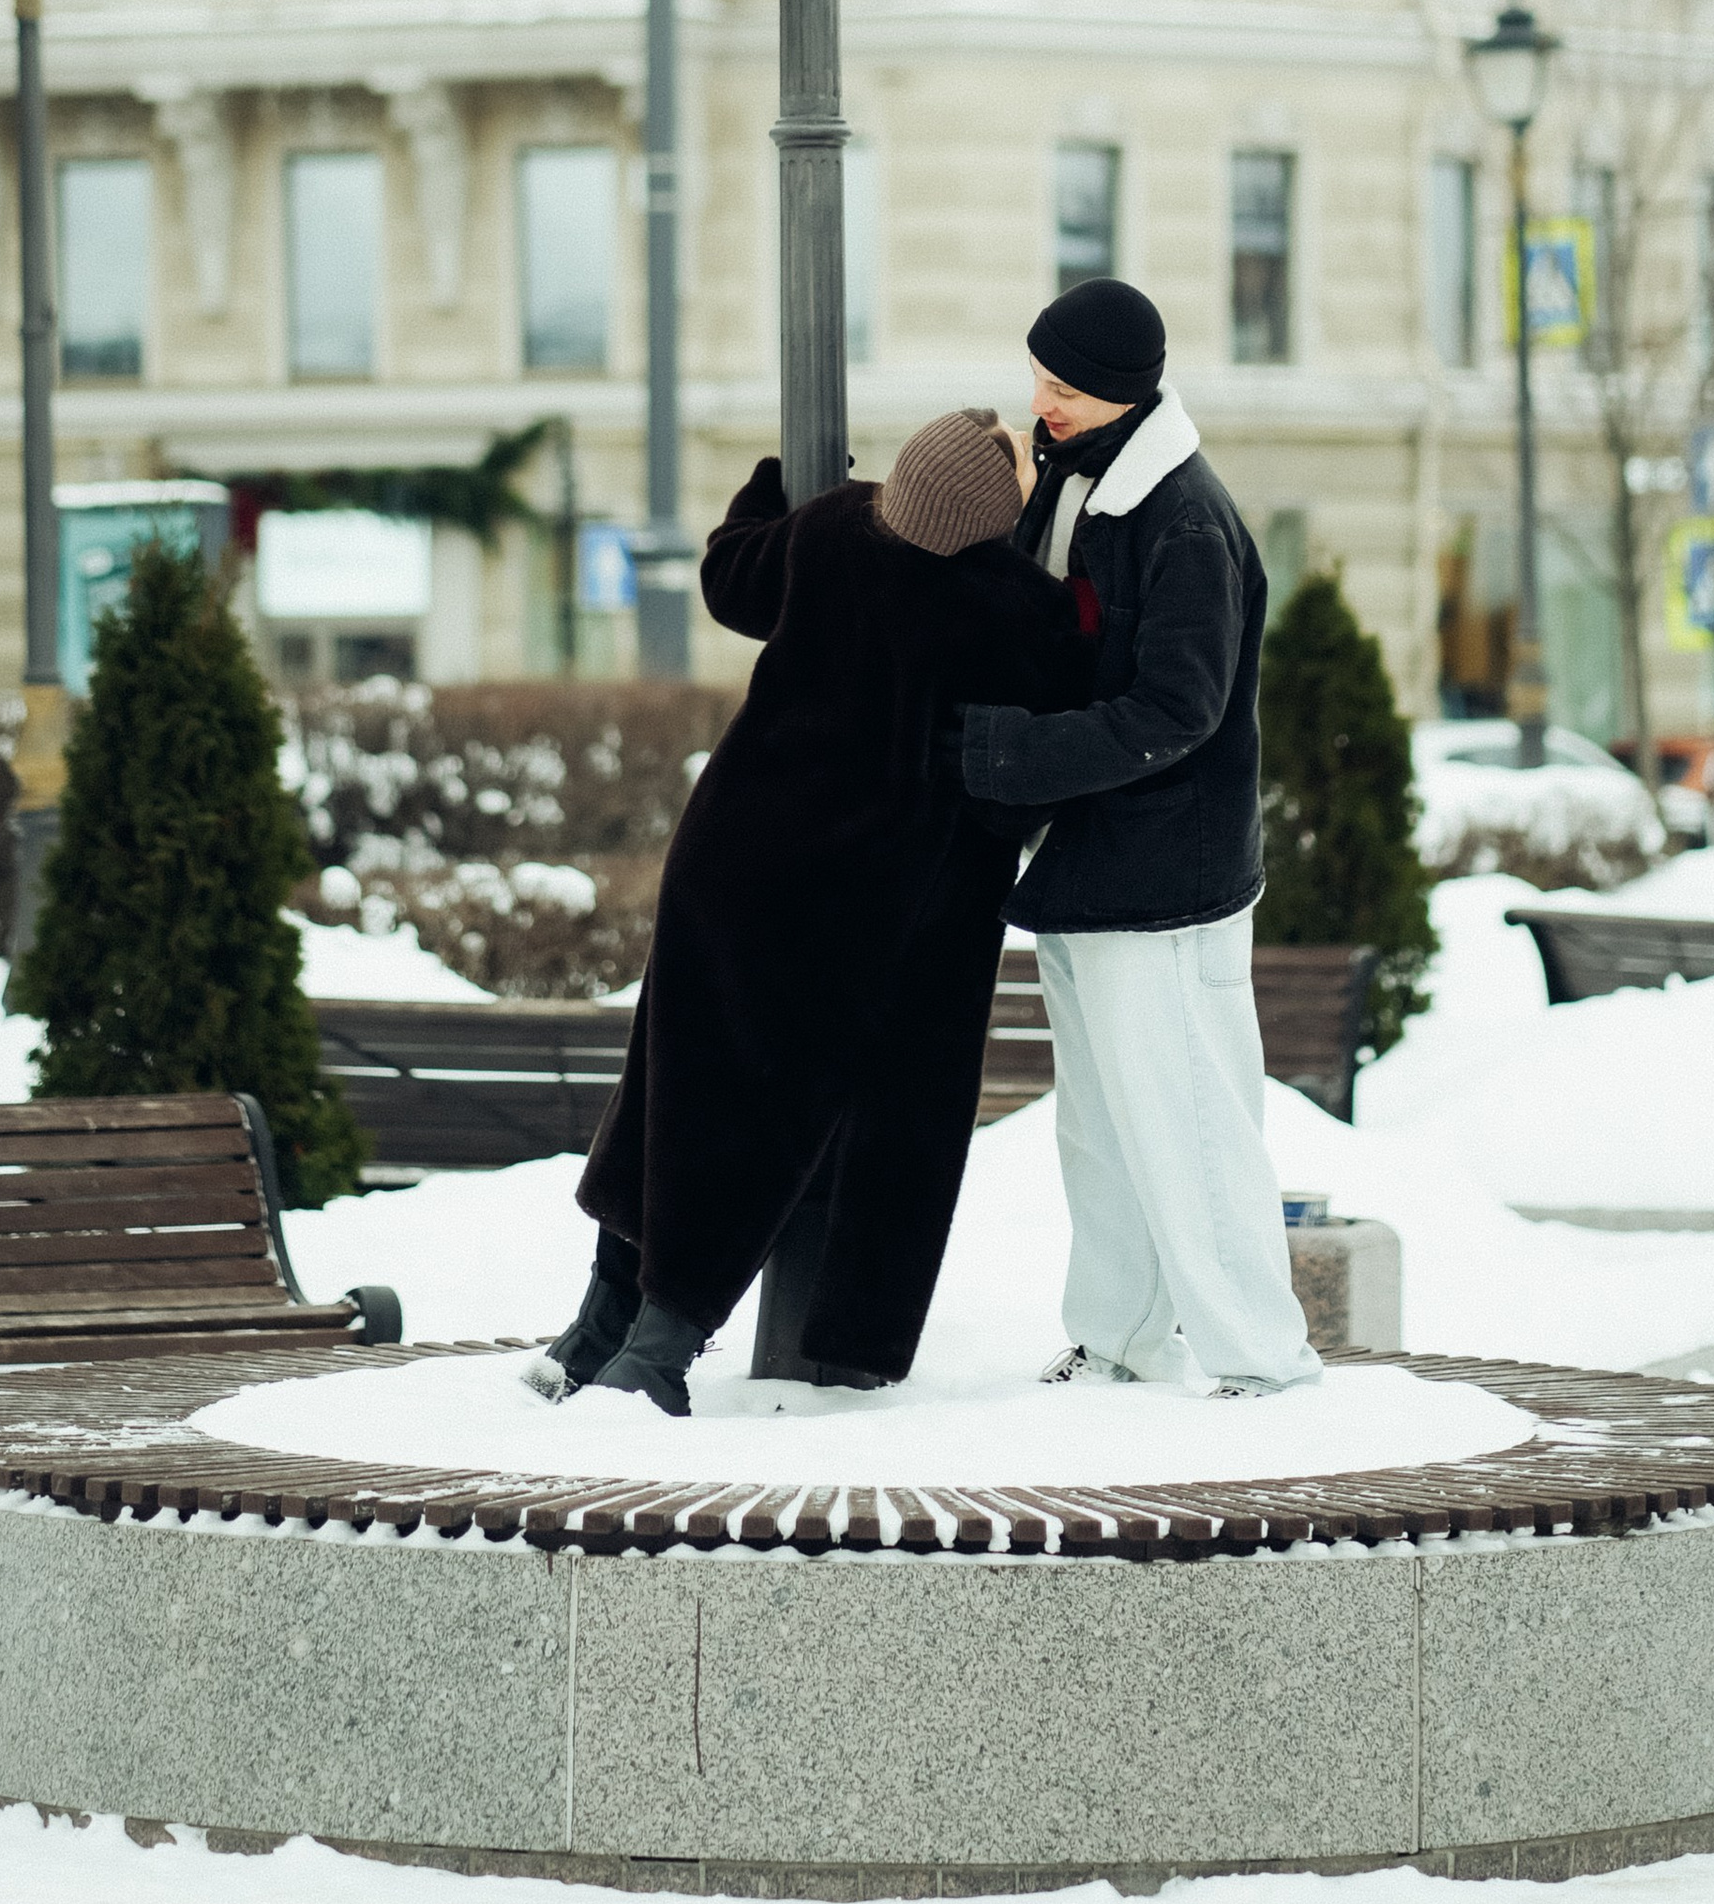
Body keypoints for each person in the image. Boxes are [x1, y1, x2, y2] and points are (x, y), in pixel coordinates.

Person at [528, 409, 1096, 1417]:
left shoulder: (832, 529)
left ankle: (595, 1329)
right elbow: (1057, 744)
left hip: (727, 862)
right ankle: (657, 1356)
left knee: (675, 1092)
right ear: (989, 515)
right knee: (765, 1126)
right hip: (862, 916)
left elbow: (727, 576)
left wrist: (772, 483)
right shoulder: (1020, 613)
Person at [956, 276, 1320, 1397]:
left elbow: (1177, 713)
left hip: (1166, 878)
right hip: (1090, 870)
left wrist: (1004, 755)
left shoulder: (1186, 520)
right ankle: (1117, 1342)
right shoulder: (1077, 478)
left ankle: (1263, 1366)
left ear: (1117, 393)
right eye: (1037, 378)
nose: (1041, 402)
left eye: (1061, 387)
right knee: (1106, 1134)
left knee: (1195, 1131)